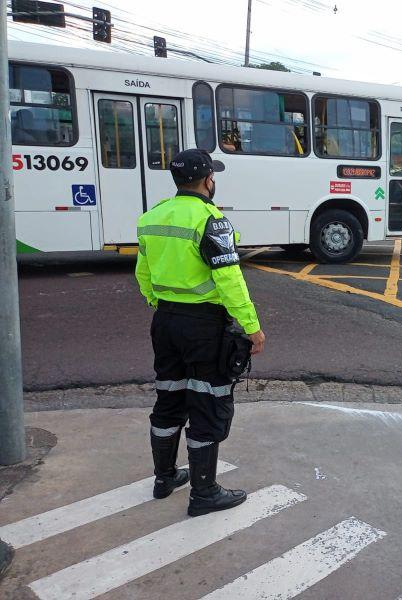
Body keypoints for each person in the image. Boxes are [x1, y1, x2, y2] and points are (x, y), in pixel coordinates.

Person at [135, 149, 266, 517]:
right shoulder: (212, 221)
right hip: (204, 326)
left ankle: (164, 478)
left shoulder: (151, 217)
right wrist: (252, 327)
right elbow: (230, 280)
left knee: (169, 397)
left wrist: (159, 304)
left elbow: (143, 273)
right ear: (209, 179)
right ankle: (204, 493)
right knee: (207, 400)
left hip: (165, 322)